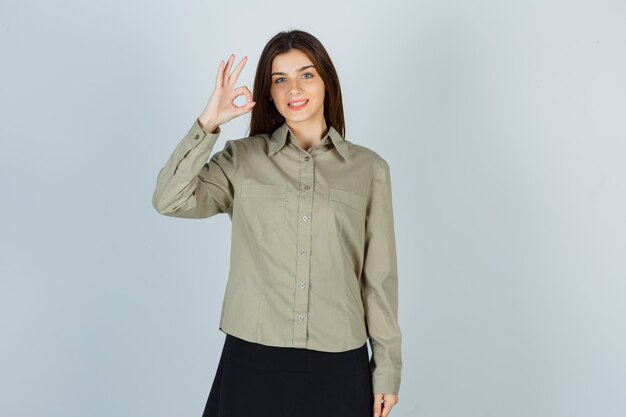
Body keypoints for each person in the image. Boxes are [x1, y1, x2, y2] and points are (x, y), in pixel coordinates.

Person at [152, 29, 402, 417]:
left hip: (338, 363)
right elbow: (169, 199)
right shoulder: (242, 159)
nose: (293, 89)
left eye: (306, 74)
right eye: (279, 79)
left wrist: (386, 369)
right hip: (253, 359)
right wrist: (207, 124)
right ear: (268, 93)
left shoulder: (369, 169)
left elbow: (379, 280)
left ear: (326, 82)